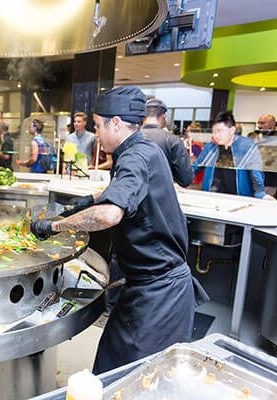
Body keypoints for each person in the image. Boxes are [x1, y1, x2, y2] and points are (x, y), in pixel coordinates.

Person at [30, 86, 208, 373]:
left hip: (159, 295)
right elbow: (121, 191)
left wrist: (54, 226)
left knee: (136, 377)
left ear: (115, 123)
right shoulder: (143, 147)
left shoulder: (134, 157)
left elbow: (110, 215)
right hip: (149, 285)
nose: (96, 133)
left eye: (98, 125)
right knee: (113, 364)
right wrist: (87, 201)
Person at [193, 111, 273, 200]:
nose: (215, 135)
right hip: (213, 195)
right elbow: (196, 166)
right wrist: (180, 181)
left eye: (219, 131)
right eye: (213, 132)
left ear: (232, 130)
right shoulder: (210, 146)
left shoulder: (247, 146)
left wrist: (260, 193)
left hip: (238, 197)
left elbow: (255, 171)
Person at [141, 98, 194, 187]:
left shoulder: (130, 137)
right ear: (164, 116)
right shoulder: (172, 141)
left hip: (131, 196)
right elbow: (186, 180)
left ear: (144, 115)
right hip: (160, 196)